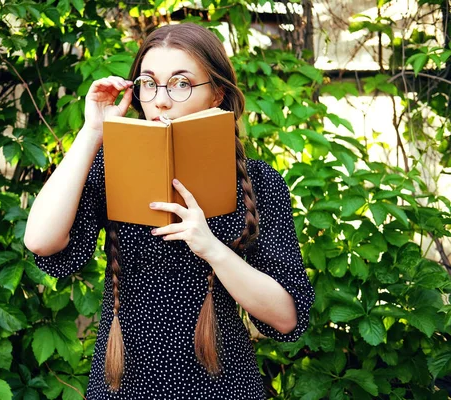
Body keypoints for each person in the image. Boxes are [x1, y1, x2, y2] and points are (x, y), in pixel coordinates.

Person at [25, 23, 314, 400]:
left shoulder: (259, 182)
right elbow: (40, 241)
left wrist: (211, 246)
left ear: (217, 94)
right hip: (124, 385)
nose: (160, 100)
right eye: (148, 82)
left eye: (181, 83)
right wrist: (93, 132)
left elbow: (286, 316)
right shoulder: (111, 168)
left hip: (223, 386)